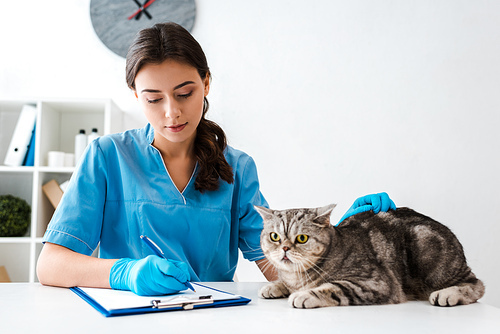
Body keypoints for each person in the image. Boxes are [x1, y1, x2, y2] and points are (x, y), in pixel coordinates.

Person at [37, 22, 395, 296]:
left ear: (206, 84)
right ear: (135, 95)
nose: (171, 113)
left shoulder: (238, 168)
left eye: (184, 93)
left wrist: (336, 242)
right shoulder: (107, 157)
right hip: (128, 317)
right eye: (153, 99)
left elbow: (278, 266)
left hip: (213, 319)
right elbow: (50, 266)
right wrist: (124, 274)